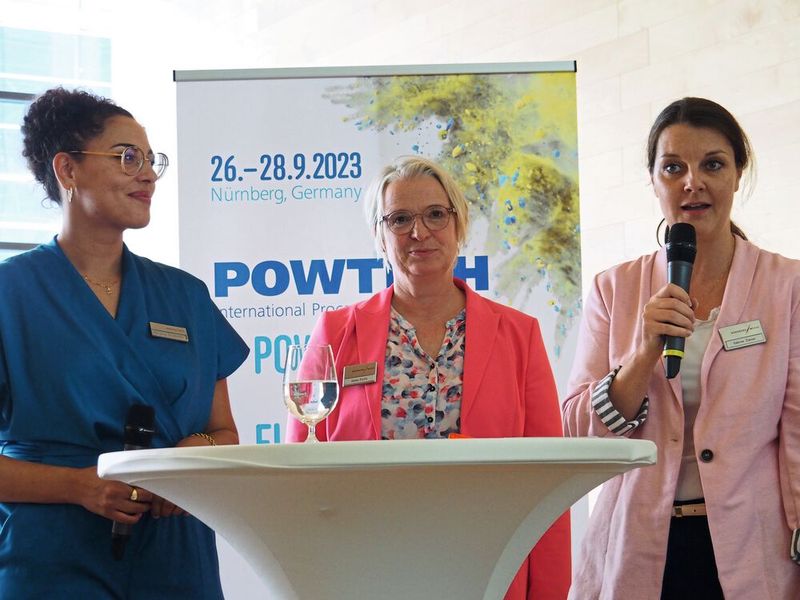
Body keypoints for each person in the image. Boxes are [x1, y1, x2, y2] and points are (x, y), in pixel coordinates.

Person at [0, 88, 249, 598]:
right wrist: (80, 486)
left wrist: (187, 460)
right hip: (53, 557)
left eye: (150, 160)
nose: (149, 175)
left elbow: (222, 432)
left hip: (176, 555)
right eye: (126, 157)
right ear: (67, 170)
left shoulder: (186, 295)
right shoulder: (10, 294)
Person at [286, 155, 571, 599]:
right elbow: (298, 474)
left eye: (436, 214)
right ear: (379, 238)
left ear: (459, 225)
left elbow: (550, 480)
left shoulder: (519, 335)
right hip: (364, 566)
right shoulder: (337, 333)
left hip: (488, 563)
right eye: (399, 219)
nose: (419, 232)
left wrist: (550, 592)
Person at [562, 97, 800, 599]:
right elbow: (576, 429)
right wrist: (644, 352)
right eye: (673, 167)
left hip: (753, 552)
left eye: (712, 164)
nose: (693, 182)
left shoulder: (788, 286)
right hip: (638, 551)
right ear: (654, 180)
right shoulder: (614, 288)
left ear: (738, 174)